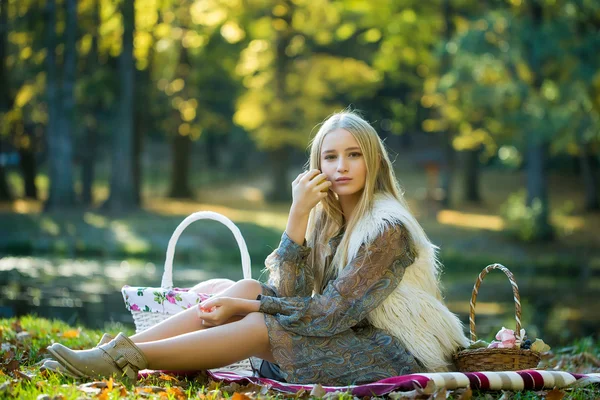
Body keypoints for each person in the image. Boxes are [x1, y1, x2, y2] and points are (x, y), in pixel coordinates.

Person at [43, 111, 468, 386]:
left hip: (395, 355)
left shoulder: (387, 228)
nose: (340, 167)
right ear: (316, 165)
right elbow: (291, 295)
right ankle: (113, 351)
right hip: (347, 335)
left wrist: (252, 311)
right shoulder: (328, 215)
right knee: (247, 288)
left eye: (354, 155)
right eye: (330, 157)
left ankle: (124, 361)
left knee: (258, 322)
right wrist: (297, 217)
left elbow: (332, 313)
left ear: (373, 162)